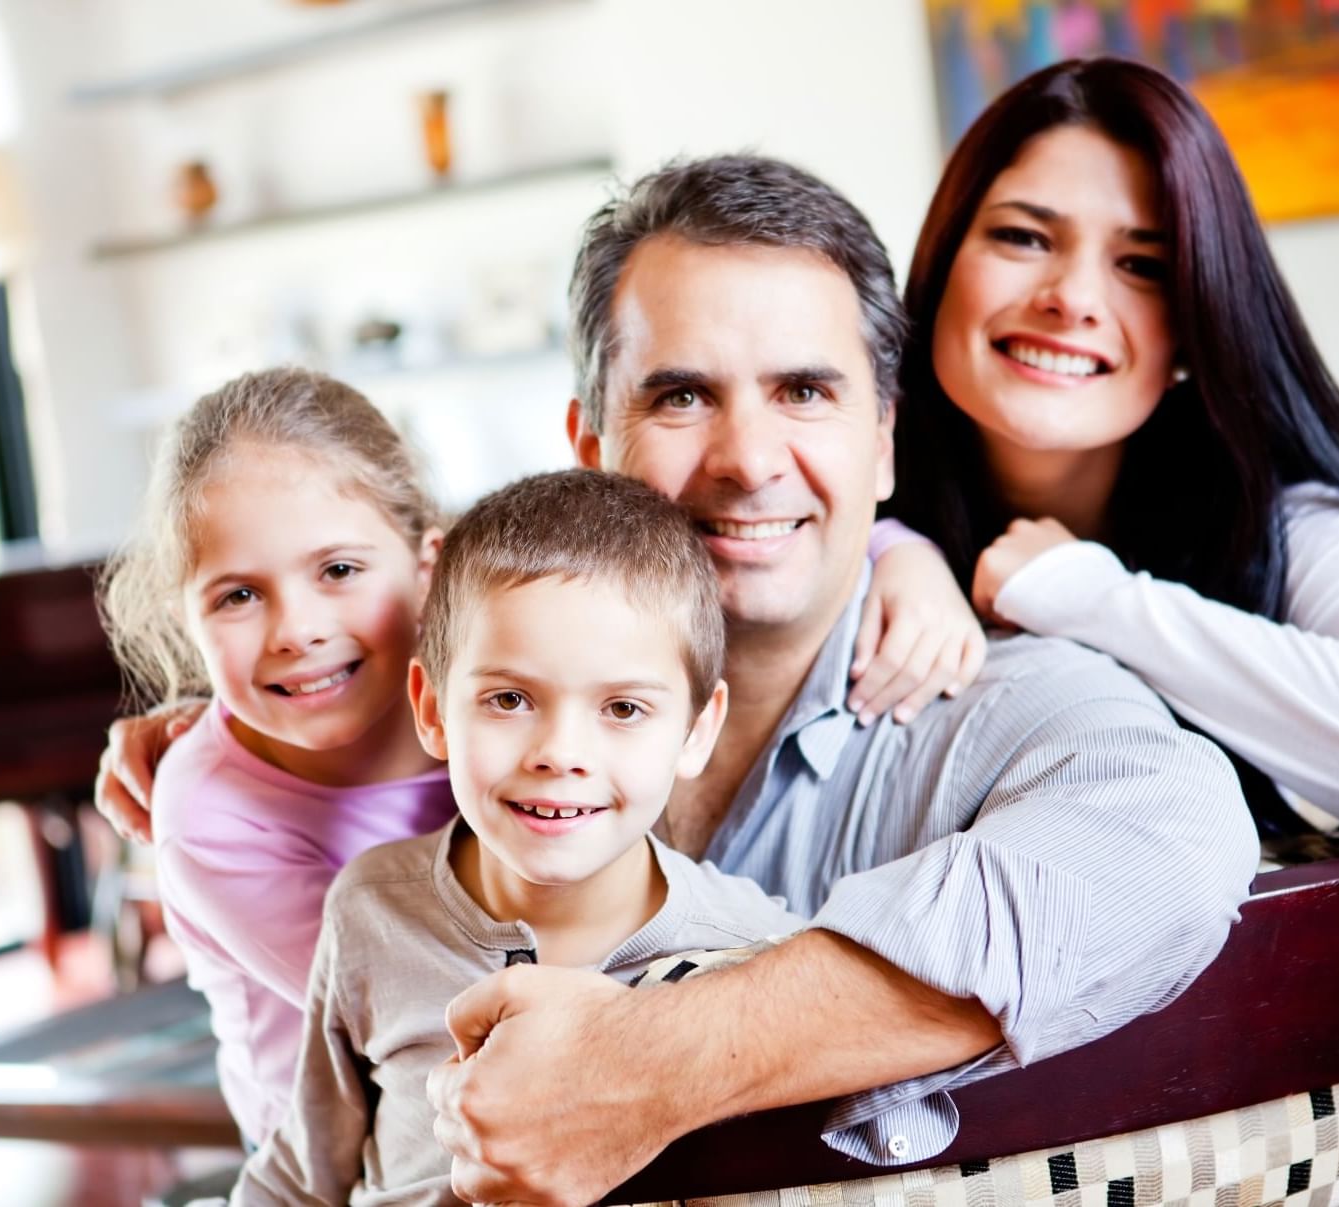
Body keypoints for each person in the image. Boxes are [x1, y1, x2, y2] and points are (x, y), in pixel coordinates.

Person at [421, 154, 1257, 1205]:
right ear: (589, 443)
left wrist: (641, 1065)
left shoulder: (987, 705)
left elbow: (1166, 841)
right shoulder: (471, 694)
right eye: (681, 395)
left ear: (882, 444)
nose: (750, 458)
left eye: (804, 391)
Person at [232, 469, 806, 1204]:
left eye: (623, 708)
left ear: (696, 730)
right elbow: (302, 1175)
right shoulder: (370, 908)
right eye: (508, 698)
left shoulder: (760, 955)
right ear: (434, 709)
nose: (560, 752)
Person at [885, 57, 1339, 825]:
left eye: (1140, 264)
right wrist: (886, 547)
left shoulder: (1278, 523)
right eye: (1024, 237)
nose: (1071, 299)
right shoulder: (845, 498)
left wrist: (1085, 595)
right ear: (942, 262)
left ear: (1195, 327)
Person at [97, 368, 458, 1142]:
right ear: (183, 619)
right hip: (349, 1173)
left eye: (338, 570)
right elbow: (417, 1023)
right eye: (238, 595)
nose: (295, 629)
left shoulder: (494, 707)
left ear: (425, 566)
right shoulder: (207, 810)